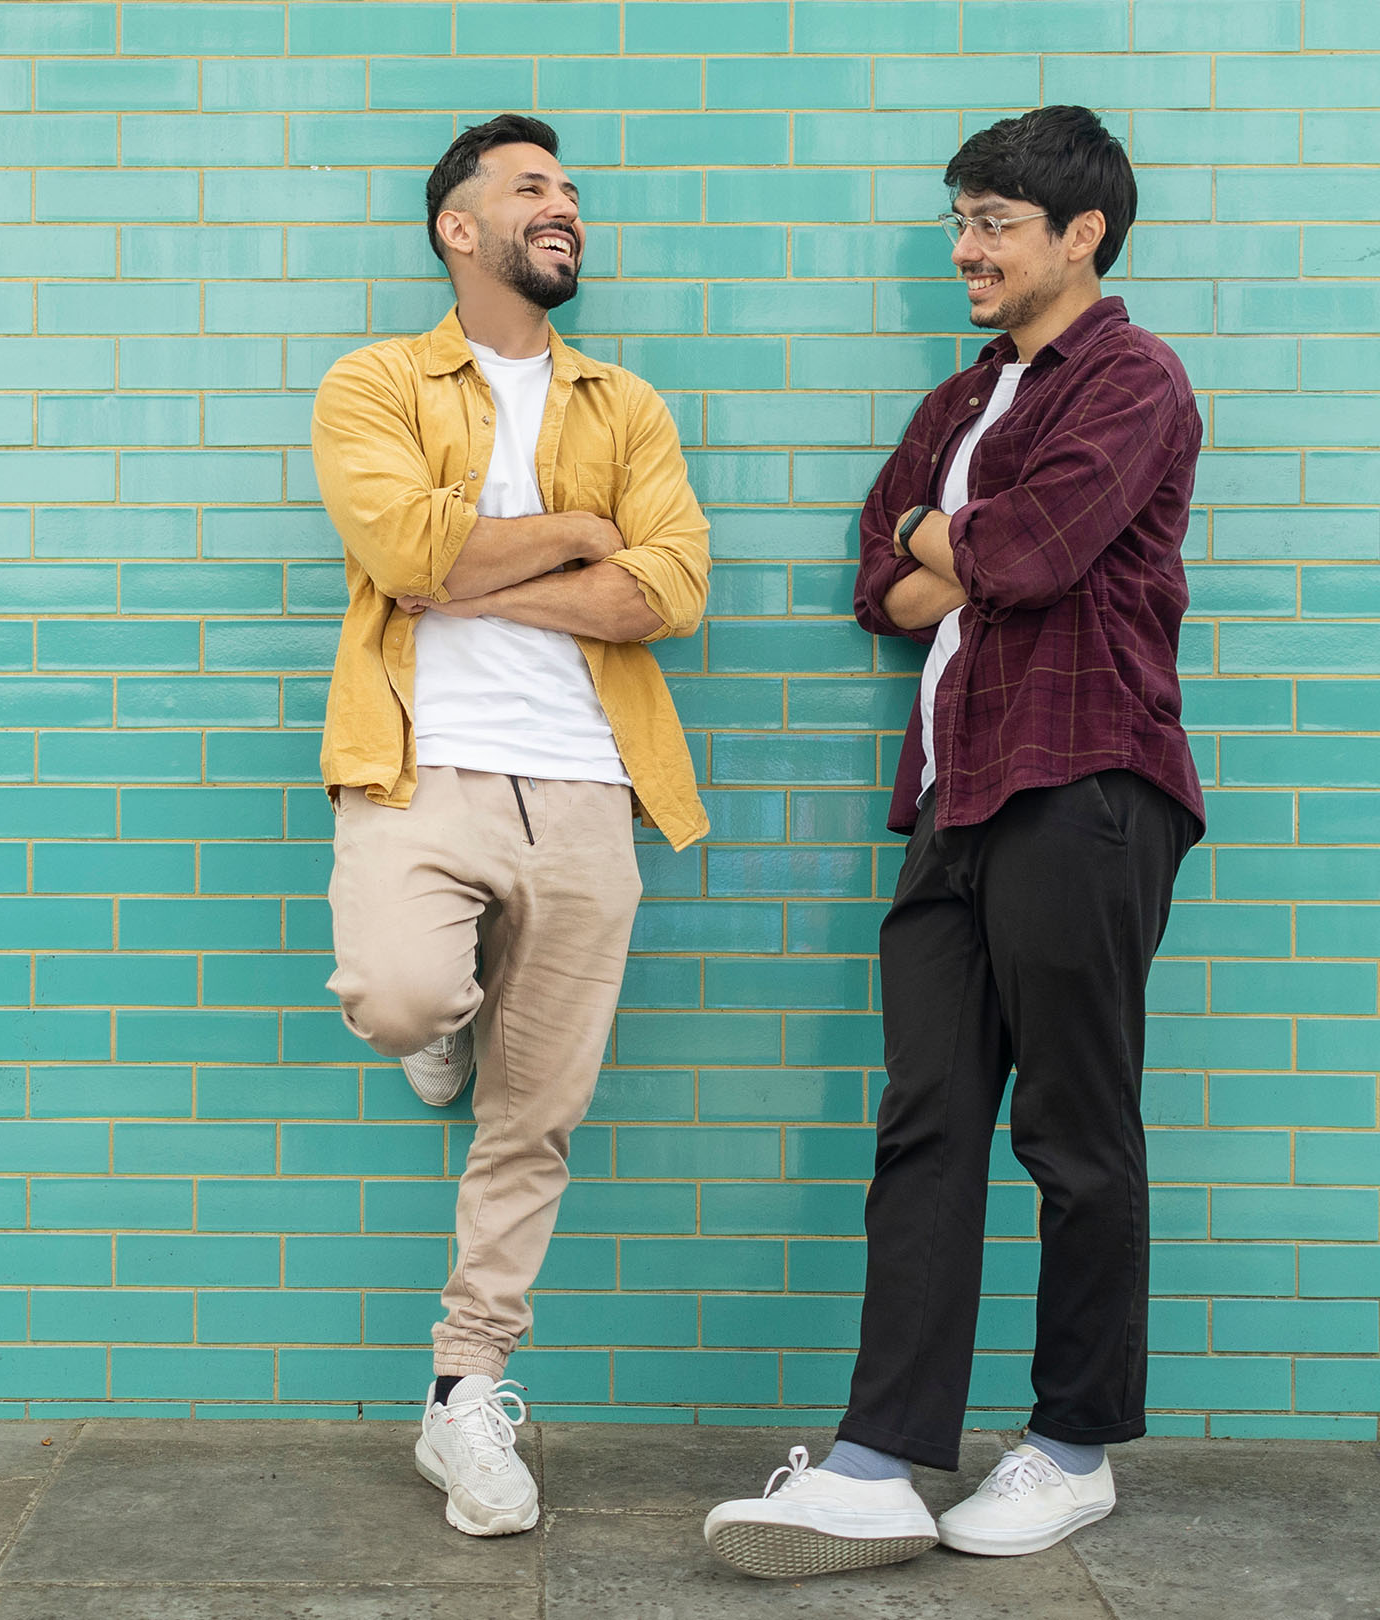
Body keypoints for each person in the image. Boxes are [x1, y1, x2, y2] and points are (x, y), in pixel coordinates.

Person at [702, 106, 1204, 1579]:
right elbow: (882, 576)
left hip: (1089, 781)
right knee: (925, 1123)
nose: (968, 248)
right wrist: (950, 541)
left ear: (1081, 234)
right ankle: (876, 1462)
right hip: (956, 794)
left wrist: (953, 541)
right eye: (961, 222)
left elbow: (1026, 560)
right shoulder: (961, 398)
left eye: (994, 221)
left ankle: (1070, 1448)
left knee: (1073, 1128)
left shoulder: (1134, 379)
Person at [310, 112, 710, 1538]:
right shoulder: (373, 385)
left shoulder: (628, 408)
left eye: (574, 193)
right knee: (398, 990)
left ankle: (464, 1398)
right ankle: (438, 1029)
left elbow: (667, 593)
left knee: (535, 1120)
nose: (566, 209)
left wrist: (485, 572)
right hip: (423, 771)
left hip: (592, 785)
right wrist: (574, 534)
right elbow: (401, 549)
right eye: (532, 190)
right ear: (457, 229)